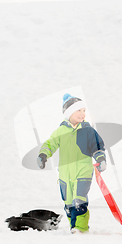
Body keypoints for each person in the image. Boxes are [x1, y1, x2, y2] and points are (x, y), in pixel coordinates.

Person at [37, 93, 106, 233]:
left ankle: (80, 228)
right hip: (64, 175)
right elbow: (50, 143)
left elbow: (97, 146)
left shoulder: (87, 131)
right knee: (69, 203)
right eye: (78, 110)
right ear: (69, 113)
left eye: (84, 110)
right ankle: (73, 226)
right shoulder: (61, 131)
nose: (82, 113)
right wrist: (43, 155)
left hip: (83, 172)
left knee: (79, 201)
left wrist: (101, 158)